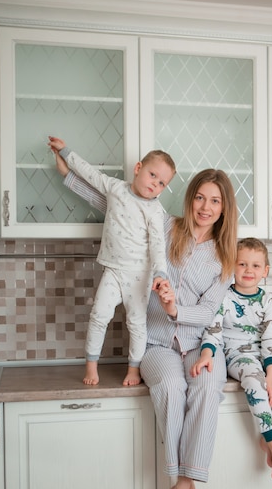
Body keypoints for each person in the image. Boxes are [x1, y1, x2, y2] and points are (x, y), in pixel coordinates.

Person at [56, 153, 239, 489]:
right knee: (171, 387)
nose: (206, 207)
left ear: (225, 209)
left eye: (215, 201)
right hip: (155, 343)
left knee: (207, 388)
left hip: (200, 345)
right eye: (200, 198)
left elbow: (208, 312)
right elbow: (117, 204)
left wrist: (176, 308)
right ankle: (182, 482)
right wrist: (70, 175)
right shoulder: (166, 225)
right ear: (189, 199)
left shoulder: (225, 257)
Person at [48, 136, 176, 387]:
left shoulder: (155, 211)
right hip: (113, 270)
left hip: (140, 275)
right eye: (153, 175)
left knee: (137, 324)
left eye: (162, 183)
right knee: (98, 315)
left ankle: (133, 369)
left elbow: (158, 244)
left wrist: (161, 272)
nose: (155, 184)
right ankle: (91, 366)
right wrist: (66, 153)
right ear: (138, 168)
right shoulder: (115, 188)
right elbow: (90, 175)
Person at [191, 237, 272, 480]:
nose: (248, 270)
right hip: (237, 354)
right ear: (232, 265)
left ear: (265, 271)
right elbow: (213, 330)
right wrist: (206, 355)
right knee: (255, 383)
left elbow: (270, 340)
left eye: (255, 266)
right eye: (242, 264)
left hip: (265, 353)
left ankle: (271, 436)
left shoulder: (268, 301)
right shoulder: (223, 297)